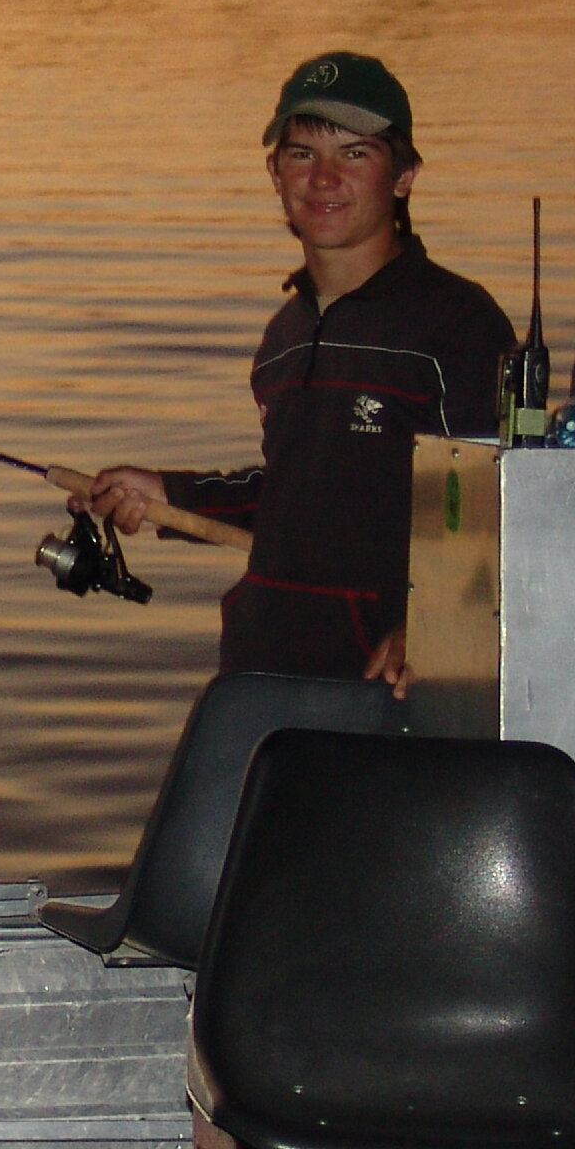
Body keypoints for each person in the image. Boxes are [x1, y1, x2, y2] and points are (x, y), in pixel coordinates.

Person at [84, 51, 515, 688]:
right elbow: (299, 496)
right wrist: (168, 496)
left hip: (390, 687)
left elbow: (498, 506)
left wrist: (434, 624)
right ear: (274, 173)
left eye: (356, 154)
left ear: (404, 176)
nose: (324, 178)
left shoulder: (457, 323)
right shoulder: (283, 339)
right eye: (303, 154)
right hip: (265, 676)